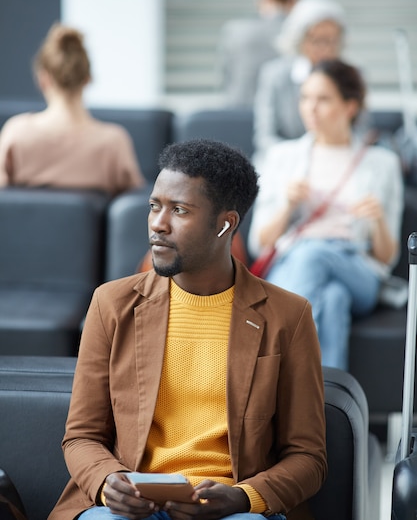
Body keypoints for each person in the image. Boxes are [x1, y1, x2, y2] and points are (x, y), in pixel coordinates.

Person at [49, 138, 327, 520]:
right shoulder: (111, 304)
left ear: (225, 224)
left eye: (179, 210)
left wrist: (244, 497)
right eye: (154, 206)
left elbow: (308, 457)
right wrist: (108, 481)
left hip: (232, 510)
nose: (158, 224)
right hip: (130, 508)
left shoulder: (288, 316)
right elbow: (81, 436)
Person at [248, 59, 404, 370]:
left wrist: (377, 221)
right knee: (332, 300)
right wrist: (288, 206)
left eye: (323, 99)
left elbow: (386, 258)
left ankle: (285, 381)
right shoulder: (282, 157)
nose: (310, 108)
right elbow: (259, 243)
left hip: (357, 265)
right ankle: (326, 410)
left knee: (315, 255)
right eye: (305, 98)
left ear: (350, 106)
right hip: (294, 260)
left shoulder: (381, 163)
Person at [0, 23, 145, 195]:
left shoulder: (16, 132)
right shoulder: (113, 142)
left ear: (43, 79)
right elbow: (135, 206)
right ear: (87, 79)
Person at [252, 0, 346, 162]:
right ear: (300, 39)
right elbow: (265, 137)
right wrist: (305, 158)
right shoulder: (274, 74)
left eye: (333, 41)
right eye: (319, 40)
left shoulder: (350, 74)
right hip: (284, 161)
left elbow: (360, 129)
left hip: (337, 159)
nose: (327, 49)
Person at [217, 0, 300, 109]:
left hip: (237, 109)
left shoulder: (234, 30)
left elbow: (226, 76)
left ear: (260, 1)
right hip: (282, 115)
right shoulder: (299, 33)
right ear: (294, 2)